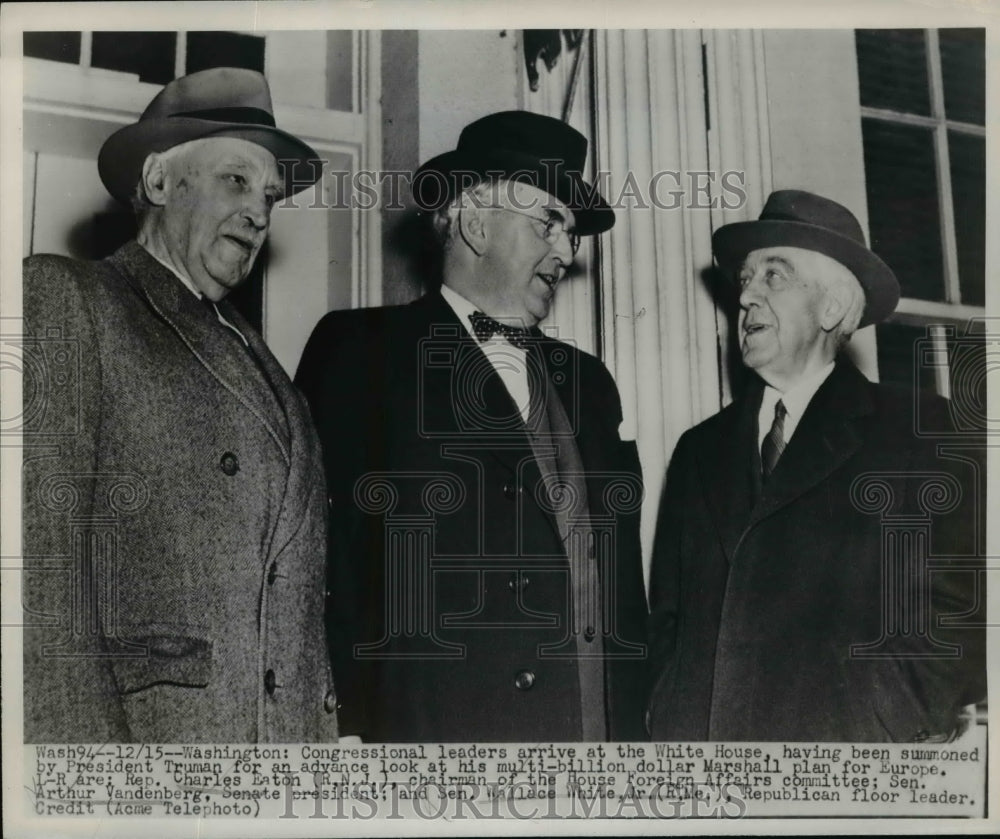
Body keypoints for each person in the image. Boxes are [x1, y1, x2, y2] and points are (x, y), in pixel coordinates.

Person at [296, 111, 648, 742]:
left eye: (571, 232)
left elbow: (619, 583)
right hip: (437, 744)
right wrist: (341, 722)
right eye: (551, 223)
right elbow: (317, 559)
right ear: (475, 222)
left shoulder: (590, 384)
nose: (567, 252)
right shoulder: (361, 353)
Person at [22, 67, 337, 742]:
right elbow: (39, 582)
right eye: (236, 180)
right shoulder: (72, 299)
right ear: (161, 180)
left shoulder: (268, 369)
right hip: (155, 754)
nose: (259, 210)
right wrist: (87, 787)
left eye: (271, 196)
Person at [647, 190, 985, 742]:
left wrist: (889, 720)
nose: (746, 297)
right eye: (745, 280)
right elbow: (668, 623)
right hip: (706, 782)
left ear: (832, 307)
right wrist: (667, 719)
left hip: (848, 772)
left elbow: (963, 608)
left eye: (773, 277)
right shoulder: (697, 451)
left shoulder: (919, 431)